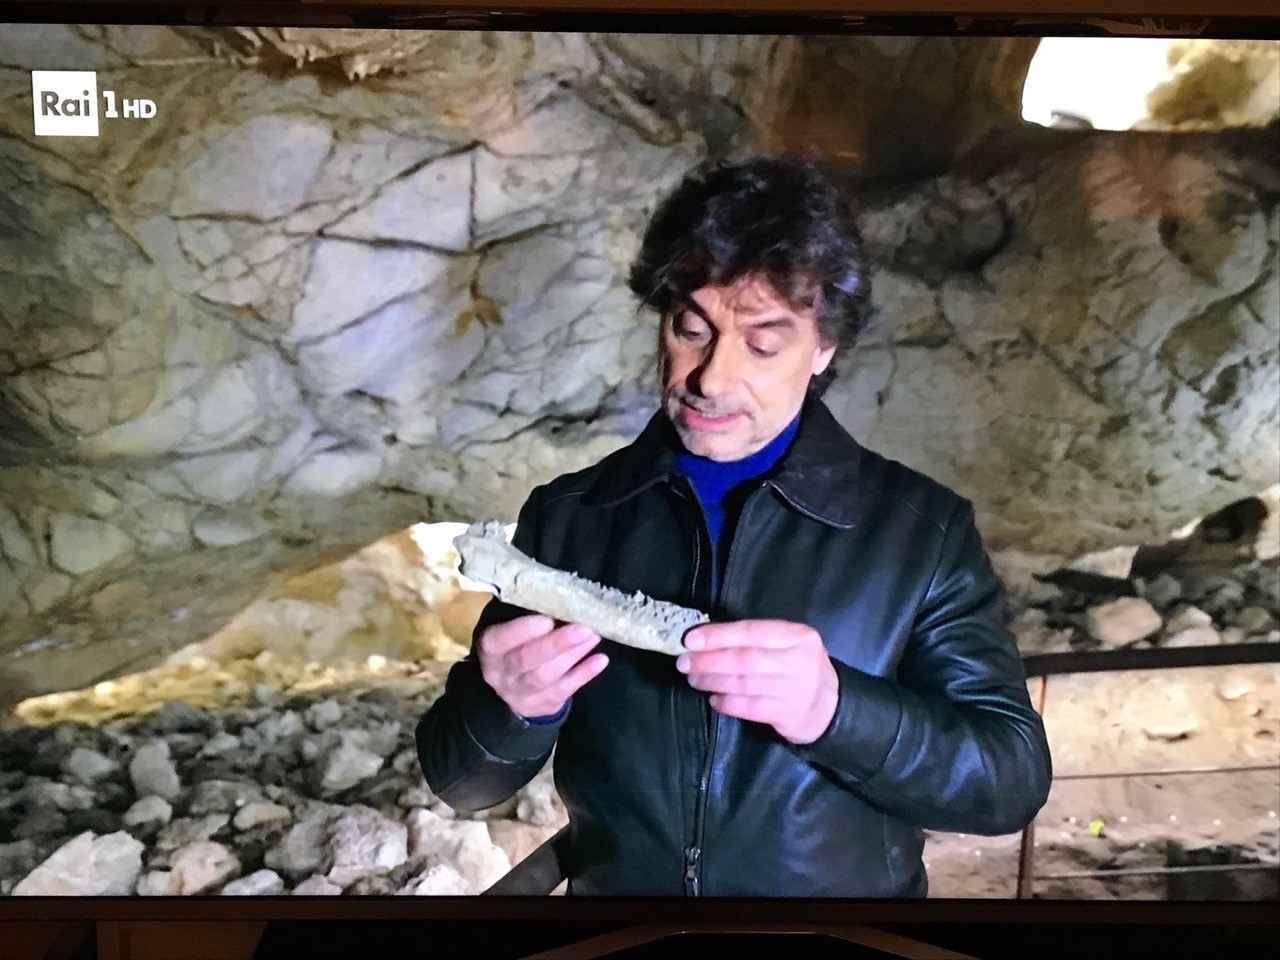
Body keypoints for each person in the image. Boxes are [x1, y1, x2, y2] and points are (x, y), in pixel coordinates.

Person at [416, 155, 1053, 897]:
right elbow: (461, 783)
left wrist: (834, 708)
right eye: (690, 329)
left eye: (762, 344)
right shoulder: (571, 517)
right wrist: (507, 707)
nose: (710, 378)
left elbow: (1009, 782)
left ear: (823, 347)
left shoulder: (919, 534)